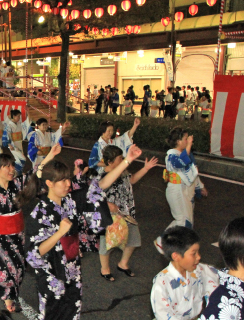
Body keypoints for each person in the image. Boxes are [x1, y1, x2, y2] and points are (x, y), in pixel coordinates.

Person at [20, 144, 143, 320]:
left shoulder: (70, 200)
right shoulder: (39, 214)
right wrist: (59, 233)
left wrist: (127, 160)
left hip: (72, 268)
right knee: (53, 314)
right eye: (62, 181)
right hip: (52, 274)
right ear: (49, 184)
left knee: (73, 310)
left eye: (68, 179)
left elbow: (99, 186)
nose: (68, 183)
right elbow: (34, 252)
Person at [0, 147, 60, 313]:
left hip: (18, 234)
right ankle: (9, 299)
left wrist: (50, 155)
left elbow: (34, 173)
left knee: (18, 268)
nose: (12, 169)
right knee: (6, 269)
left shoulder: (16, 184)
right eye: (7, 166)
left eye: (12, 166)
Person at [98, 146, 158, 281]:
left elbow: (131, 180)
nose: (123, 160)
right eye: (120, 158)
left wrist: (145, 168)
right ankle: (105, 269)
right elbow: (93, 197)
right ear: (109, 162)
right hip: (110, 216)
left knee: (133, 239)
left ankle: (123, 263)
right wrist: (107, 205)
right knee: (107, 243)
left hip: (127, 212)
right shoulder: (101, 175)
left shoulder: (123, 172)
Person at [154, 128, 207, 254]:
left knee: (185, 221)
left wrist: (200, 186)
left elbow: (193, 173)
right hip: (177, 190)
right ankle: (164, 242)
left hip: (187, 191)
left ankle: (177, 245)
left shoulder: (186, 154)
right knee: (183, 220)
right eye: (185, 139)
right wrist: (188, 147)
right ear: (178, 141)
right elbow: (180, 163)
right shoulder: (171, 156)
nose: (189, 141)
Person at [151, 226, 218, 320]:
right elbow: (163, 314)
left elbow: (215, 287)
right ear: (176, 256)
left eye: (198, 252)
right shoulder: (162, 281)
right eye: (193, 253)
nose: (199, 257)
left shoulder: (199, 270)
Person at [2, 109, 31, 175]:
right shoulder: (9, 126)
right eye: (18, 116)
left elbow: (27, 123)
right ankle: (17, 173)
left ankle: (17, 173)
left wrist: (28, 113)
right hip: (13, 145)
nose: (19, 118)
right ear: (14, 116)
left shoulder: (19, 124)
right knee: (22, 159)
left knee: (18, 159)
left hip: (20, 144)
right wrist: (9, 144)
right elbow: (7, 135)